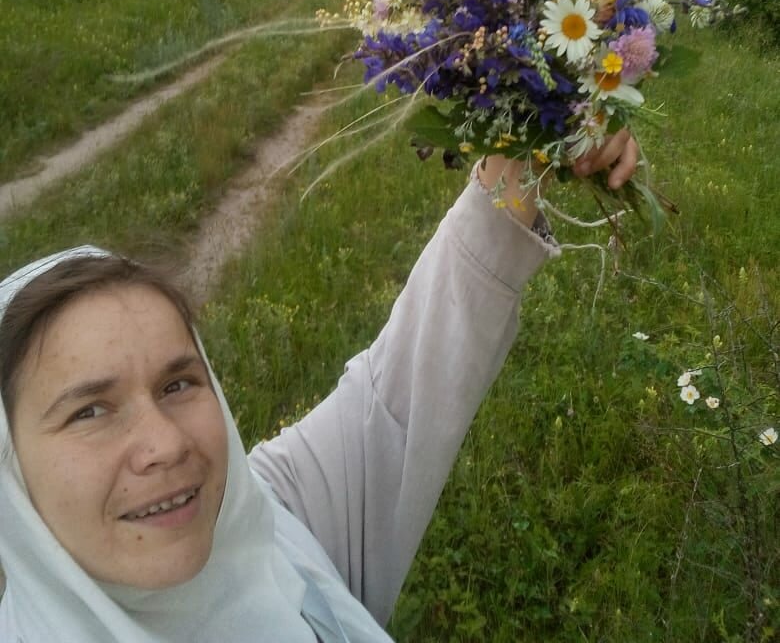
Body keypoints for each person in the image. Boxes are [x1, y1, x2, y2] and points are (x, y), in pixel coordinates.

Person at [0, 135, 637, 642]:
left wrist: (538, 127)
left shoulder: (271, 523)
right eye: (90, 410)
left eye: (177, 383)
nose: (164, 444)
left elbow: (404, 383)